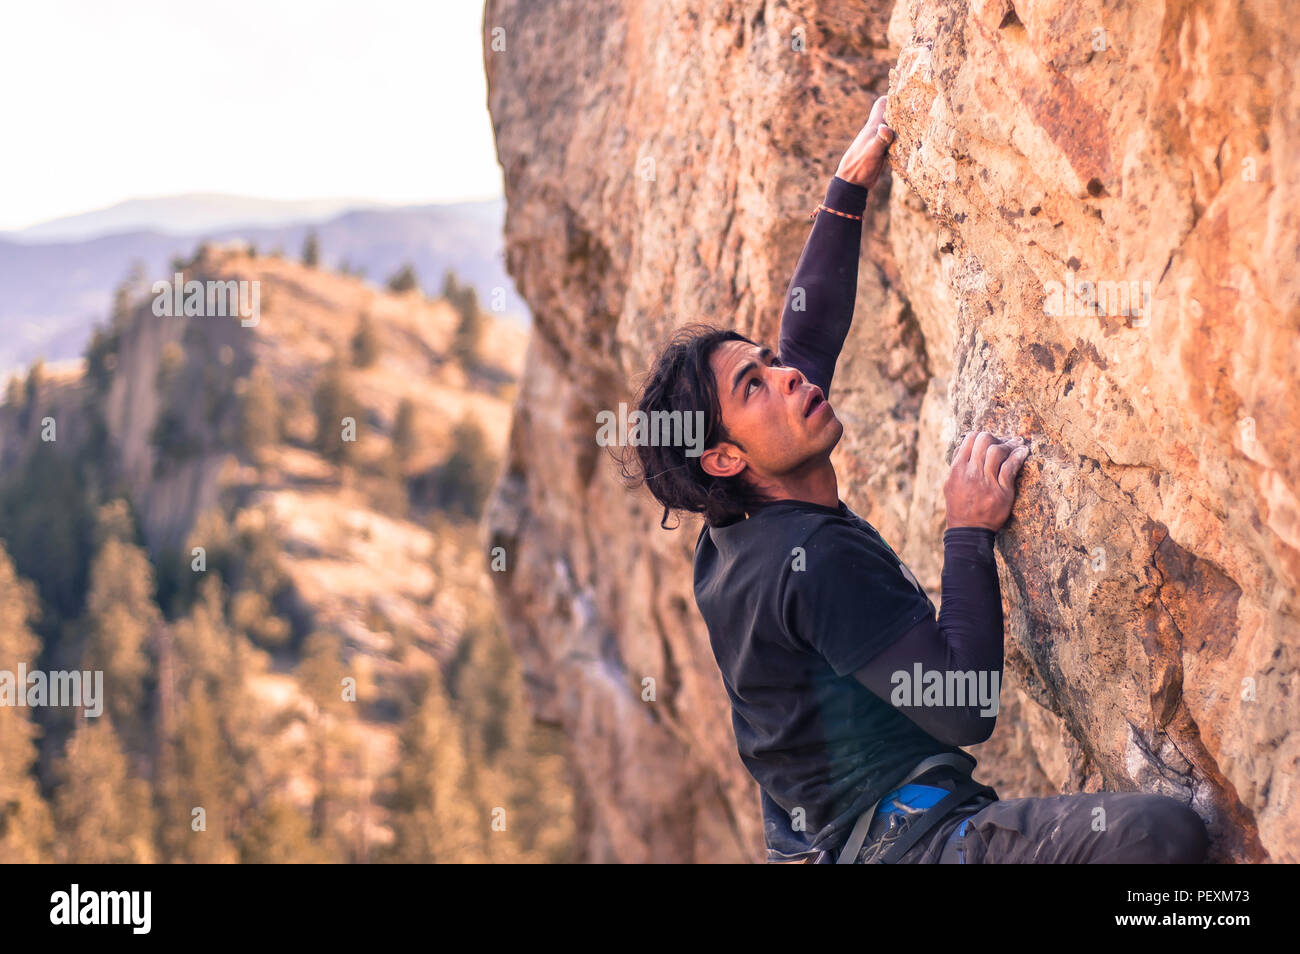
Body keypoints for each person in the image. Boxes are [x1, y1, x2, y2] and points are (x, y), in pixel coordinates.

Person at [620, 95, 1210, 864]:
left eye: (767, 360)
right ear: (725, 458)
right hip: (907, 848)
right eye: (753, 386)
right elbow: (963, 707)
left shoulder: (733, 526)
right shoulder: (813, 563)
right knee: (1157, 838)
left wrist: (846, 190)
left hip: (826, 843)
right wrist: (967, 532)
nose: (787, 375)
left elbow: (807, 341)